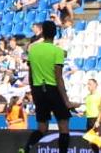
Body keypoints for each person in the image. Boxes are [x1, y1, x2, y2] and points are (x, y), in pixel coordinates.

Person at [23, 20, 73, 153]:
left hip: (38, 90)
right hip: (53, 89)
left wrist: (34, 93)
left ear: (43, 33)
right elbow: (58, 77)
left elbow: (31, 75)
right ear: (55, 33)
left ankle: (26, 148)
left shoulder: (33, 51)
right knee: (63, 125)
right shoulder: (57, 51)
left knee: (42, 128)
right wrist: (66, 100)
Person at [83, 78, 101, 151]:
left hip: (96, 119)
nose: (88, 86)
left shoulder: (100, 95)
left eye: (90, 84)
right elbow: (89, 108)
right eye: (88, 84)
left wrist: (98, 121)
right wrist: (83, 112)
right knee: (92, 141)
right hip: (89, 119)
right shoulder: (87, 96)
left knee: (99, 141)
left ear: (95, 85)